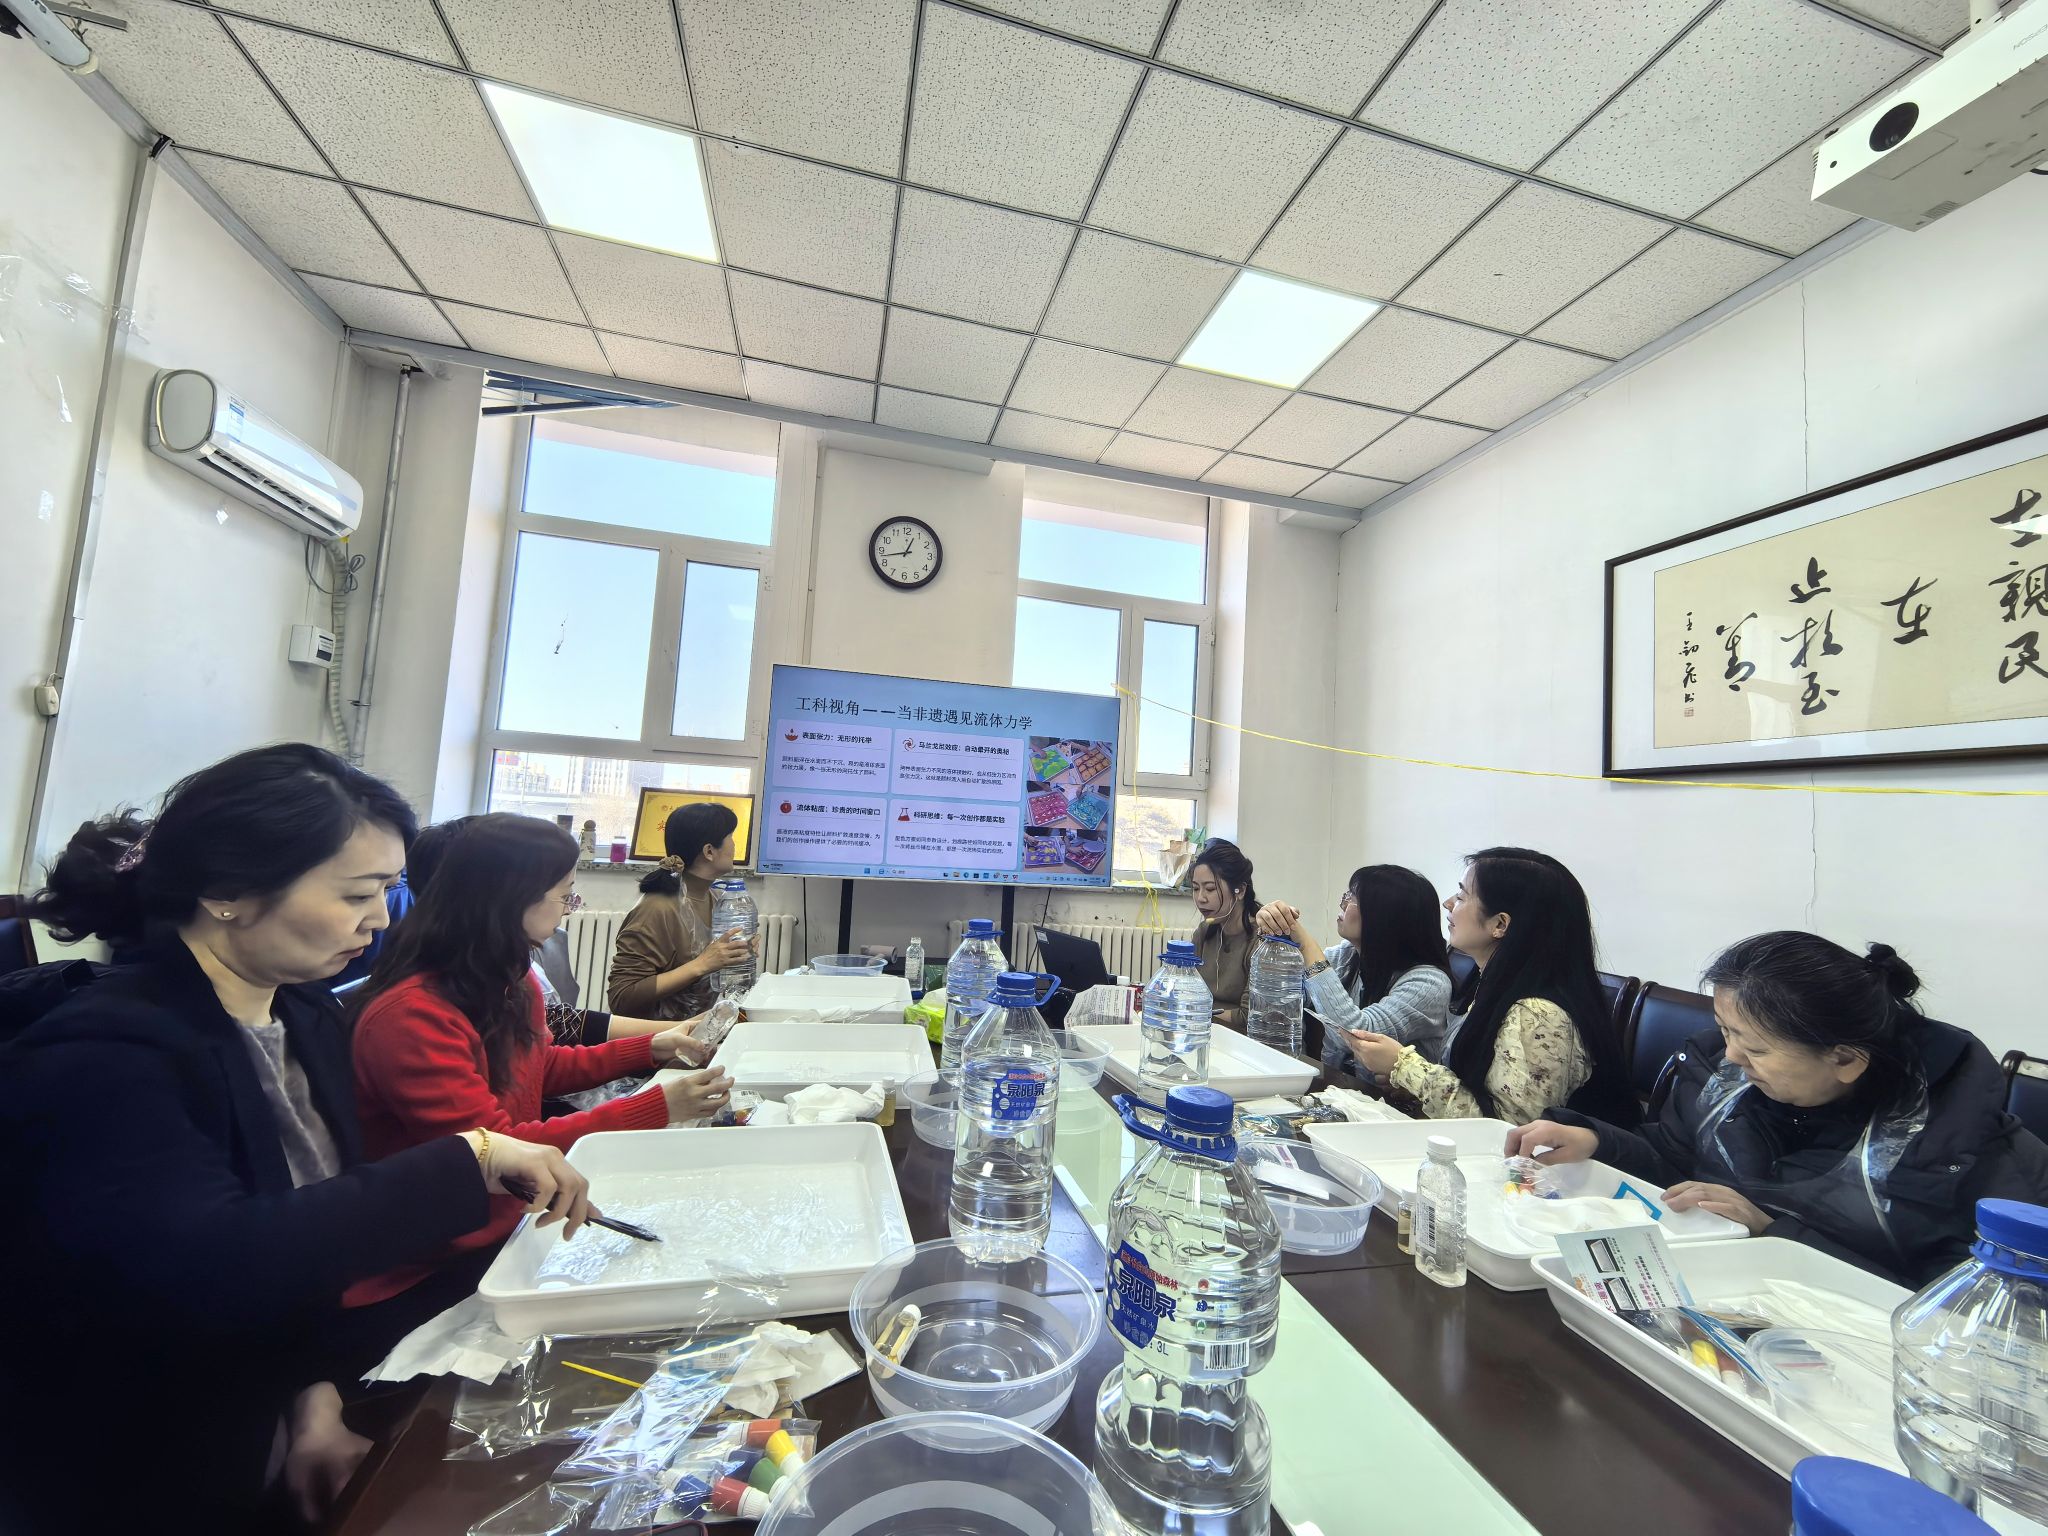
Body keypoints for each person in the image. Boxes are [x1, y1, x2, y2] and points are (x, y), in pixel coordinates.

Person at [0, 745, 591, 1534]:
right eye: (356, 894)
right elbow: (218, 1264)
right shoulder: (104, 1055)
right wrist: (474, 1157)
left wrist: (311, 1404)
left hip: (269, 1403)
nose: (381, 919)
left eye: (387, 890)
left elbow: (300, 1257)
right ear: (228, 893)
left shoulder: (302, 1013)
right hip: (134, 1457)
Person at [1509, 932, 2048, 1287]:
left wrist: (1774, 1232)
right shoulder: (1731, 1078)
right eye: (1725, 1032)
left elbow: (1966, 1312)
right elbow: (1677, 1160)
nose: (1731, 1057)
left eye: (1756, 1048)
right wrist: (1599, 1141)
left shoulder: (1970, 1157)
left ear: (1845, 1059)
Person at [349, 815, 732, 1307]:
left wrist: (650, 1047)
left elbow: (539, 1067)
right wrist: (655, 1106)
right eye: (565, 895)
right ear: (513, 897)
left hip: (512, 1218)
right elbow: (496, 1151)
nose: (570, 908)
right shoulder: (412, 1014)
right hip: (437, 1258)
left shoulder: (510, 977)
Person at [1340, 847, 1637, 1127]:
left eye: (1462, 895)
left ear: (1500, 925)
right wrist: (1416, 1089)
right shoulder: (1495, 982)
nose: (1448, 904)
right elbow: (1478, 1087)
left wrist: (1406, 1067)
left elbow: (1509, 1130)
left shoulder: (1538, 1014)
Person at [405, 816, 667, 1046]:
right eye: (565, 895)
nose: (568, 909)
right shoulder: (433, 1006)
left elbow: (550, 1037)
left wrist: (655, 1043)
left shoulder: (506, 969)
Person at [1256, 865, 1451, 1081]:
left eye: (1352, 898)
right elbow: (1283, 996)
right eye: (1346, 895)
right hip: (1340, 1090)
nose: (1342, 904)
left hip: (1388, 1102)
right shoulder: (1349, 955)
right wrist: (1277, 936)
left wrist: (1305, 943)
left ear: (1384, 916)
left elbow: (1358, 1037)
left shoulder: (1430, 983)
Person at [608, 801, 753, 1020]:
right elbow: (621, 997)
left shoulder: (717, 899)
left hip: (697, 1028)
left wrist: (736, 955)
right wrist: (702, 964)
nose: (734, 845)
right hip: (658, 1036)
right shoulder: (656, 910)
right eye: (730, 837)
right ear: (709, 851)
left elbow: (711, 973)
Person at [1188, 838, 1258, 1029]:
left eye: (1210, 889)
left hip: (1243, 1040)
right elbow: (1186, 992)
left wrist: (1197, 1011)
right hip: (1206, 1031)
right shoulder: (1204, 933)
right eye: (1195, 888)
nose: (1200, 898)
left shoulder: (1261, 941)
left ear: (1240, 890)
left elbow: (1250, 1017)